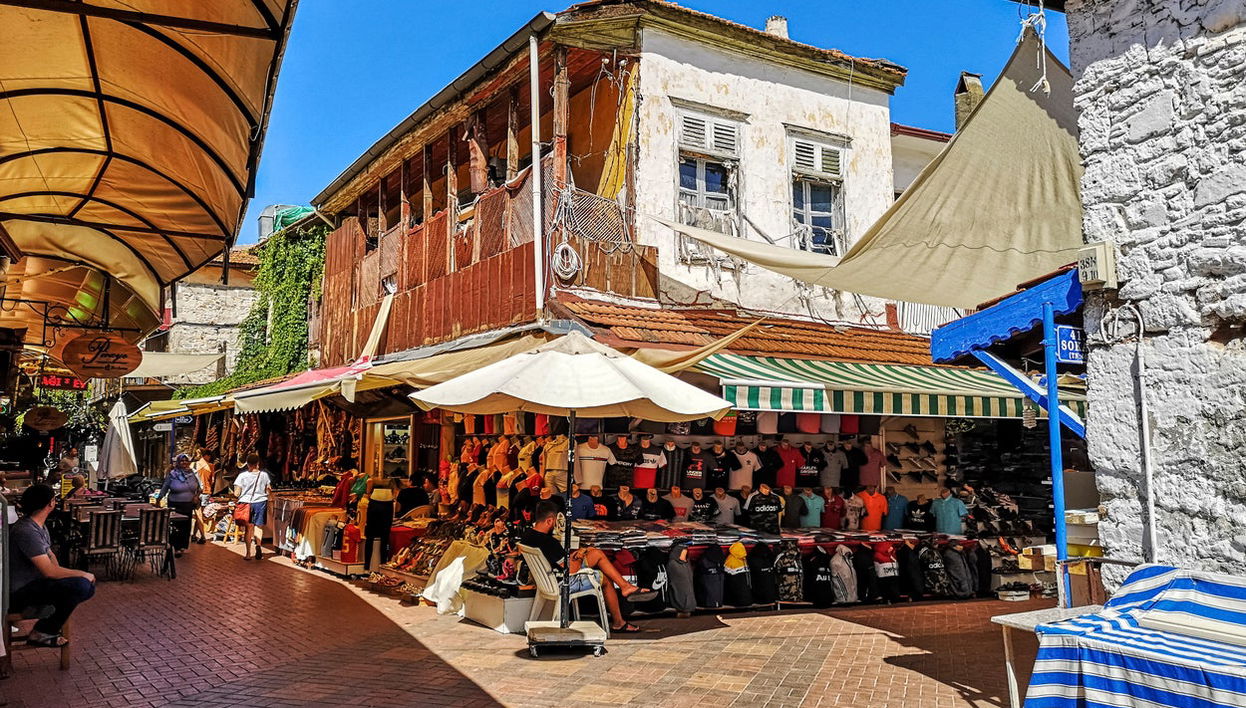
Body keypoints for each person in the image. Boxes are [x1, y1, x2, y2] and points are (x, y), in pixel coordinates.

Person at [520, 502, 656, 633]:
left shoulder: (528, 536)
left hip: (546, 580)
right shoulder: (549, 542)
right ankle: (619, 621)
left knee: (596, 553)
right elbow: (571, 570)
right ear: (550, 521)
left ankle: (625, 586)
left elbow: (558, 559)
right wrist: (580, 555)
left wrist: (580, 552)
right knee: (605, 579)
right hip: (562, 583)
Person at [8, 484, 95, 647]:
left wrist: (63, 576)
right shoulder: (26, 530)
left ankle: (43, 630)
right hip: (19, 592)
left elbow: (51, 558)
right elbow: (48, 571)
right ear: (50, 503)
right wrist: (81, 574)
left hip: (35, 585)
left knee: (85, 587)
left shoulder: (39, 526)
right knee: (81, 585)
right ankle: (42, 632)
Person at [155, 453, 201, 556]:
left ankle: (182, 546)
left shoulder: (194, 473)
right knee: (175, 525)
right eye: (182, 461)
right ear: (178, 462)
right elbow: (165, 487)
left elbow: (200, 487)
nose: (184, 462)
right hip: (174, 503)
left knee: (186, 525)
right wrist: (159, 499)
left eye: (186, 461)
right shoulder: (172, 474)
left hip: (188, 504)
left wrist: (196, 496)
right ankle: (175, 546)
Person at [233, 454, 272, 561]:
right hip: (260, 502)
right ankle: (258, 546)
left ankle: (248, 553)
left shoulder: (242, 476)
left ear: (247, 463)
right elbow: (268, 489)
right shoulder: (264, 475)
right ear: (257, 463)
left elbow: (237, 493)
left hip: (246, 503)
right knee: (258, 526)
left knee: (248, 528)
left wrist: (238, 492)